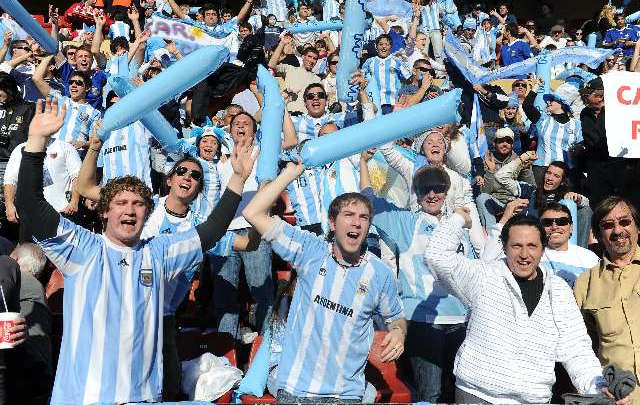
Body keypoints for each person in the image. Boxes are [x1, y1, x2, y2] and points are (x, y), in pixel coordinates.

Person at [15, 97, 255, 404]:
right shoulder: (83, 248)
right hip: (83, 398)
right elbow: (31, 207)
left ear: (146, 212)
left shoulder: (160, 252)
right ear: (104, 212)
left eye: (138, 204)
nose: (130, 211)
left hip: (142, 398)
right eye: (121, 203)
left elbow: (210, 231)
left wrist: (237, 178)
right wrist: (36, 142)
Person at [242, 159, 406, 402]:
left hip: (346, 395)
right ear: (332, 223)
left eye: (363, 217)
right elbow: (252, 212)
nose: (356, 222)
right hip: (295, 392)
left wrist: (399, 333)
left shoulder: (380, 273)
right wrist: (289, 174)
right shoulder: (310, 250)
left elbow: (396, 318)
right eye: (348, 215)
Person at [425, 210, 622, 404]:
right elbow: (437, 256)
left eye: (532, 246)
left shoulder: (558, 290)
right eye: (516, 246)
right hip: (477, 395)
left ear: (543, 249)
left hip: (533, 399)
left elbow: (576, 349)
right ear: (504, 247)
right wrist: (460, 217)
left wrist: (598, 387)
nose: (524, 255)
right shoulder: (484, 276)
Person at [359, 153, 471, 402]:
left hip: (460, 319)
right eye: (424, 189)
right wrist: (364, 164)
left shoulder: (460, 226)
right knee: (430, 394)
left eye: (438, 188)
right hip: (422, 320)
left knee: (461, 393)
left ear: (446, 191)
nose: (432, 194)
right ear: (416, 193)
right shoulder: (405, 222)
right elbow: (368, 201)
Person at [574, 196, 640, 404]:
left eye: (625, 222)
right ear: (599, 234)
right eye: (608, 225)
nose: (618, 230)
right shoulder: (585, 283)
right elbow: (578, 346)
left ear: (638, 227)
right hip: (623, 398)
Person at [10, 243, 53, 403]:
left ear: (15, 259)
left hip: (25, 377)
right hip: (36, 378)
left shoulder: (24, 281)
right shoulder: (35, 287)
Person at [539, 203, 599, 287]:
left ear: (571, 227)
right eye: (547, 222)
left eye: (561, 221)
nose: (554, 226)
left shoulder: (590, 259)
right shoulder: (532, 256)